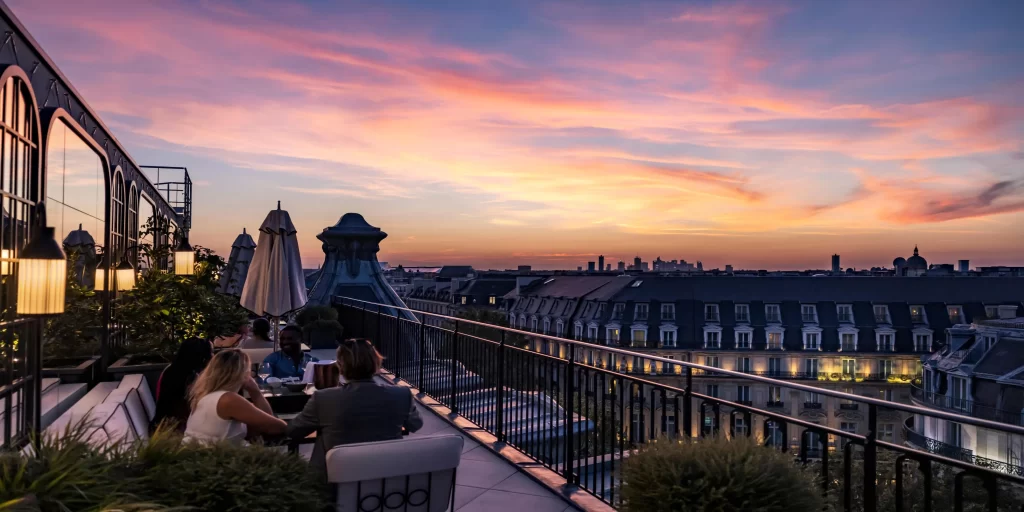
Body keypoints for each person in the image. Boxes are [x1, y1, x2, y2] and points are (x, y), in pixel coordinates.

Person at [287, 338, 423, 476]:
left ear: (340, 366)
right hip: (384, 481)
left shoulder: (323, 398)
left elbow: (293, 431)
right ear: (376, 362)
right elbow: (416, 424)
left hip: (334, 483)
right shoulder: (401, 394)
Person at [184, 349, 286, 443]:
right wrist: (256, 392)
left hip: (197, 457)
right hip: (215, 459)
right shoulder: (228, 399)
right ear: (241, 373)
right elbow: (276, 427)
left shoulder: (204, 396)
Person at [154, 338, 214, 431]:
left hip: (162, 425)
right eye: (211, 352)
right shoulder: (190, 378)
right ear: (203, 356)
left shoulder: (171, 369)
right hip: (174, 431)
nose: (213, 356)